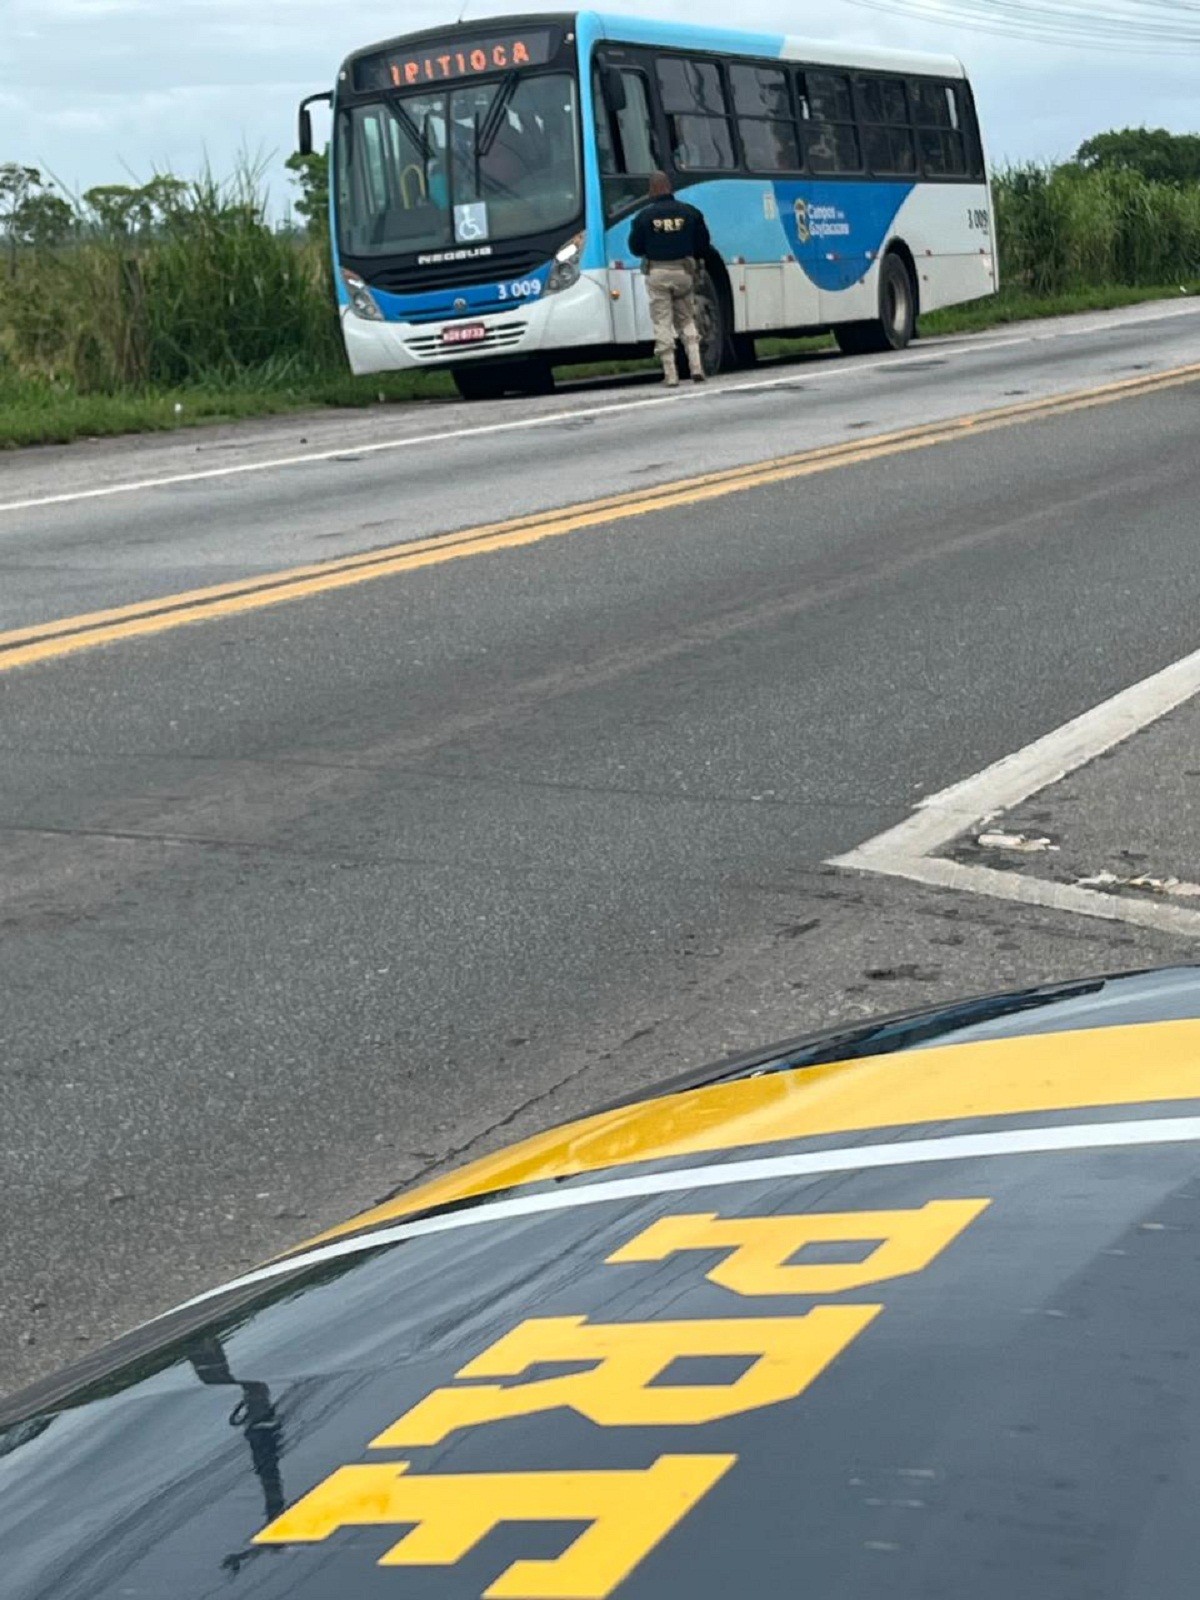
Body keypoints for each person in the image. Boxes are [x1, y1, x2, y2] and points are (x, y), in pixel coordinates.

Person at [628, 171, 711, 387]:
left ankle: (671, 374)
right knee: (686, 318)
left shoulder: (644, 217)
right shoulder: (690, 212)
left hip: (657, 273)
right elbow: (703, 243)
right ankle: (696, 367)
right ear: (670, 188)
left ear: (652, 190)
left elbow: (635, 248)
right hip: (684, 272)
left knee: (662, 321)